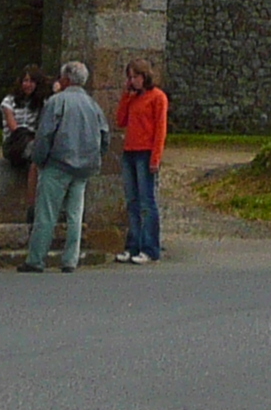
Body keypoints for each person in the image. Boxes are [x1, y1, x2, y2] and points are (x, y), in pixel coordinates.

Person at [22, 59, 108, 272]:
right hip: (84, 167)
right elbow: (105, 136)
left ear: (67, 79)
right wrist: (96, 158)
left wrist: (39, 159)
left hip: (59, 163)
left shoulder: (57, 101)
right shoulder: (93, 105)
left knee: (47, 213)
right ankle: (70, 259)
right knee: (75, 214)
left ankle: (36, 258)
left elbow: (45, 134)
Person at [113, 59, 170, 264]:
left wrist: (156, 157)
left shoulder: (158, 97)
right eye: (130, 77)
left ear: (144, 77)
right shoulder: (133, 98)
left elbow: (160, 129)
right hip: (130, 151)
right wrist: (126, 97)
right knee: (132, 201)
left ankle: (150, 247)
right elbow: (120, 120)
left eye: (135, 77)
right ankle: (133, 244)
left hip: (146, 152)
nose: (133, 81)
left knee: (147, 201)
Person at [0, 65, 47, 170]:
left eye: (32, 82)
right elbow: (14, 128)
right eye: (25, 81)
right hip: (14, 143)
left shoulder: (41, 104)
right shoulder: (9, 101)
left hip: (33, 143)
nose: (28, 85)